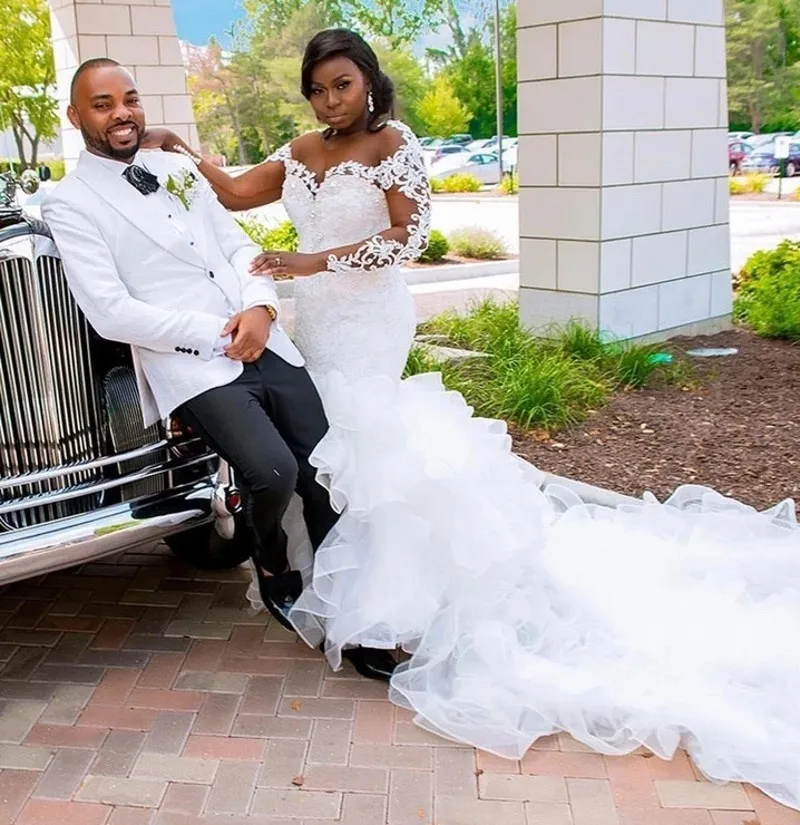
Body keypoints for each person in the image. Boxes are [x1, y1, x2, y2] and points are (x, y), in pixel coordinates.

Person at [145, 29, 800, 812]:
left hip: (367, 318)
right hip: (310, 321)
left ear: (368, 82)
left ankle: (384, 607)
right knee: (323, 451)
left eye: (343, 84)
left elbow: (409, 237)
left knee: (365, 446)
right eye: (319, 89)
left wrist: (314, 261)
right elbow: (233, 192)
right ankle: (331, 585)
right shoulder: (298, 148)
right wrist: (184, 149)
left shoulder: (395, 142)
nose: (331, 100)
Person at [40, 56, 396, 682]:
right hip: (193, 364)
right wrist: (218, 333)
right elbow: (110, 312)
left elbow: (233, 246)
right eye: (102, 104)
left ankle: (355, 619)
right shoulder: (70, 203)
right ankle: (271, 560)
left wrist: (258, 307)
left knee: (326, 473)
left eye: (129, 98)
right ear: (76, 117)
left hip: (263, 339)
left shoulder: (176, 169)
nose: (121, 112)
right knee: (272, 470)